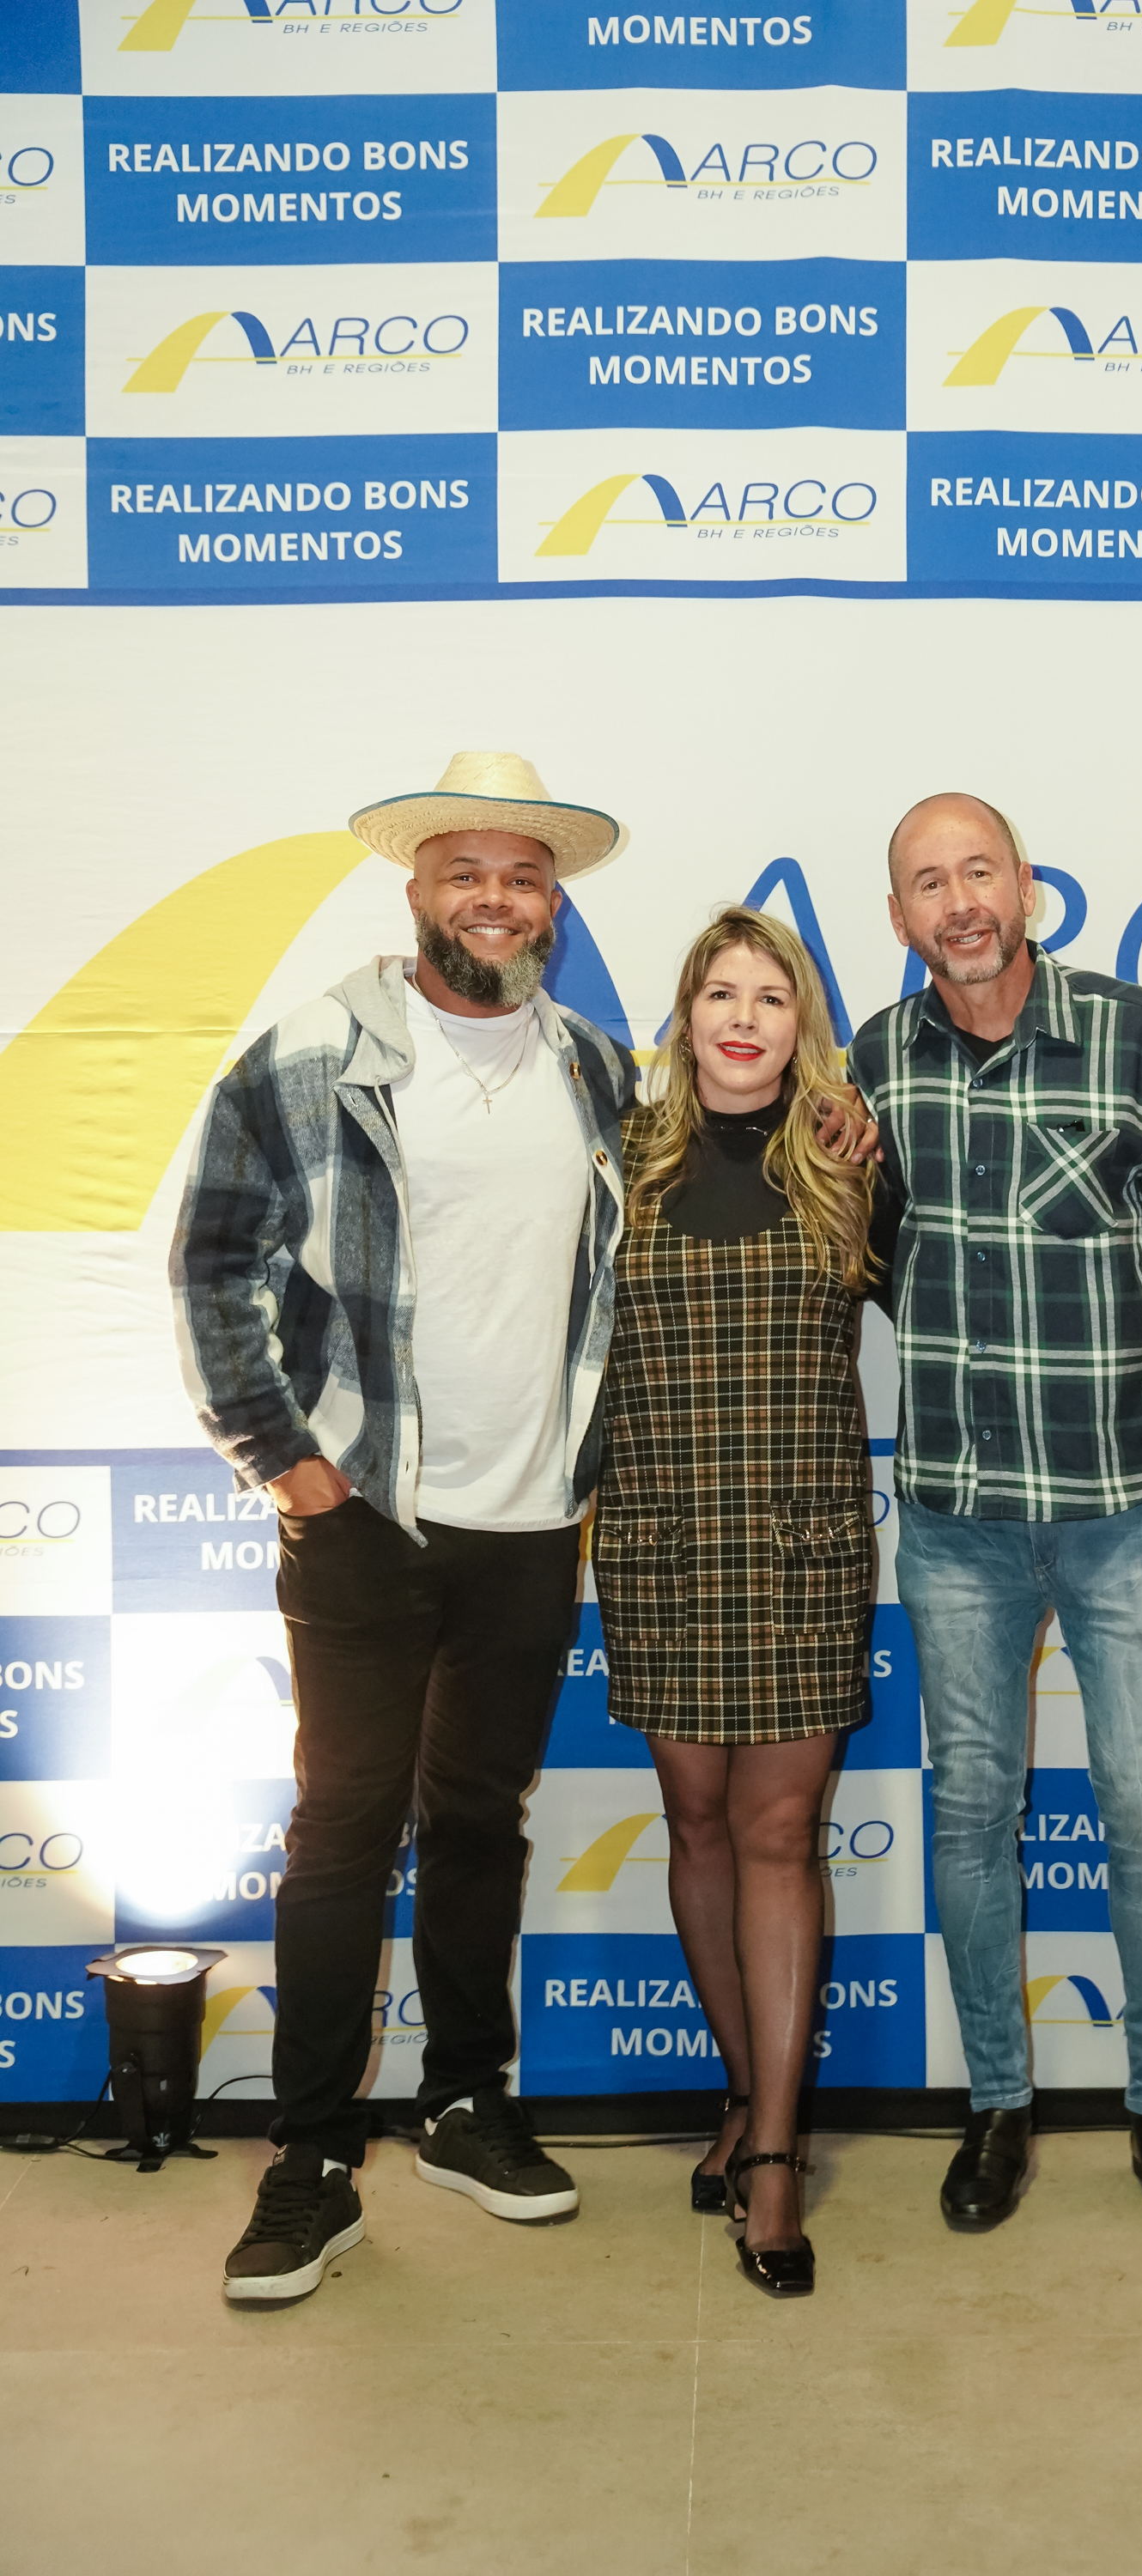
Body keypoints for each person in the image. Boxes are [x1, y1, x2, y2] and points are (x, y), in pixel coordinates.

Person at [173, 750, 635, 2303]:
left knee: (480, 1822)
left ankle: (463, 2106)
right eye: (465, 873)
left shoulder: (595, 1070)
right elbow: (211, 1262)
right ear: (417, 891)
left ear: (552, 905)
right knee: (342, 1832)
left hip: (532, 1516)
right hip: (366, 1510)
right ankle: (311, 2158)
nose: (495, 899)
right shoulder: (316, 1050)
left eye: (523, 876)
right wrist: (291, 1467)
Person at [846, 793, 1142, 2235]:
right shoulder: (875, 1059)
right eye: (927, 882)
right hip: (956, 1515)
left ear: (1025, 888)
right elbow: (870, 1258)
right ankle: (998, 2106)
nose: (958, 901)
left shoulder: (1139, 1035)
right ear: (898, 916)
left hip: (1128, 1508)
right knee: (970, 1813)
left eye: (979, 871)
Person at [592, 905, 884, 2298]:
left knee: (777, 1835)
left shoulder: (845, 1166)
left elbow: (957, 1312)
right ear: (687, 1014)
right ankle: (742, 2090)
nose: (746, 1018)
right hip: (661, 1545)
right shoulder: (621, 1161)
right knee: (696, 1825)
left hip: (801, 1549)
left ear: (799, 1022)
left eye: (772, 996)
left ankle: (773, 2153)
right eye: (723, 993)